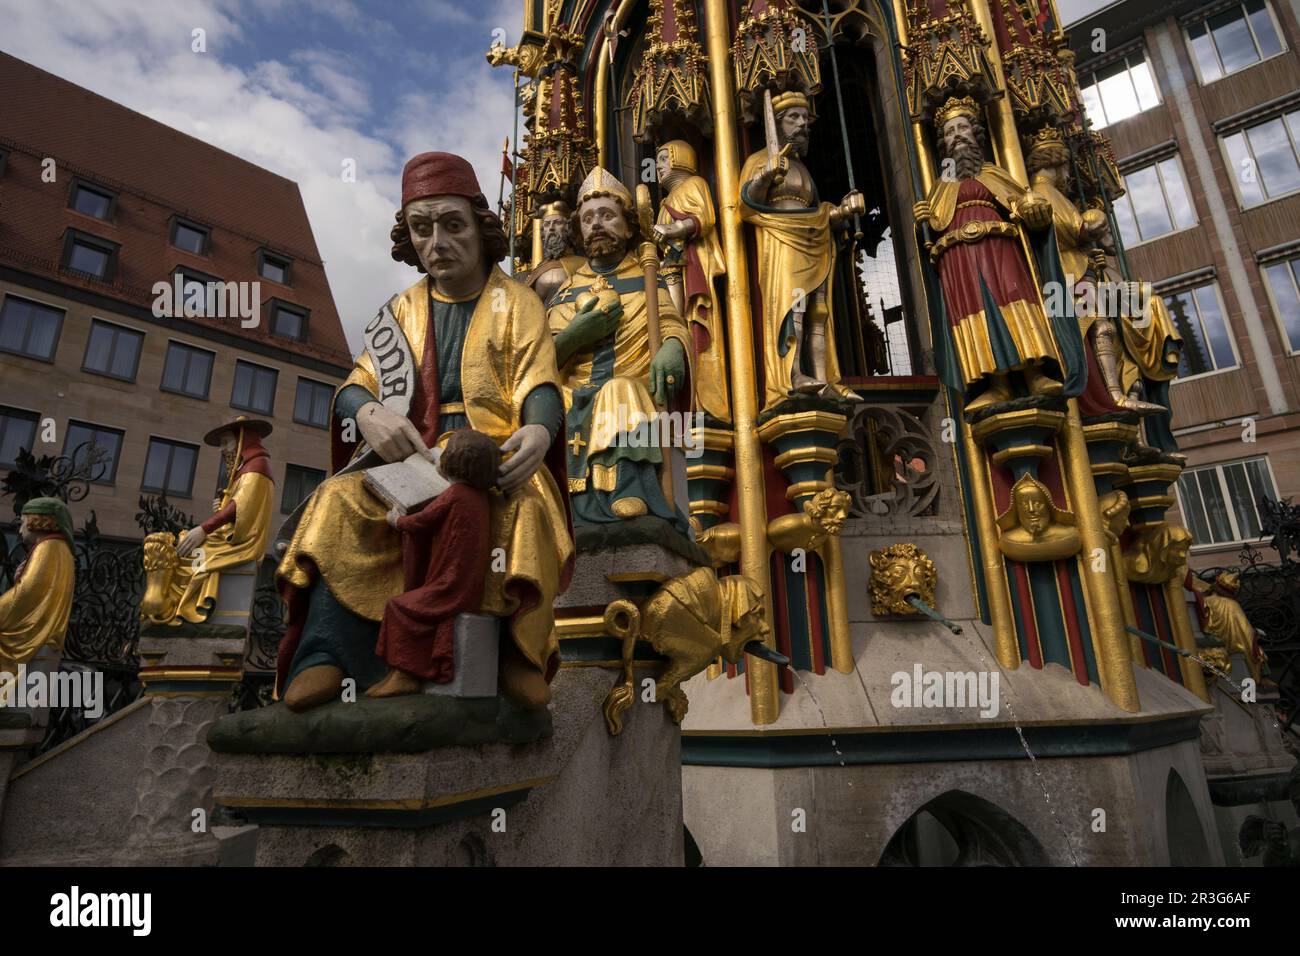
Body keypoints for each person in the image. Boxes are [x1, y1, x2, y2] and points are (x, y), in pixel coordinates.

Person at [275, 151, 573, 712]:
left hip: (491, 459)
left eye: (452, 225)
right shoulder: (401, 311)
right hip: (411, 463)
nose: (437, 241)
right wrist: (368, 413)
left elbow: (539, 381)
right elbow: (356, 384)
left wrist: (536, 433)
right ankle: (327, 656)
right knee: (335, 504)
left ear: (480, 228)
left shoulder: (519, 303)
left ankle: (518, 653)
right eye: (421, 228)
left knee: (524, 515)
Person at [546, 166, 691, 531]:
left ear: (628, 227)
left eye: (608, 216)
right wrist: (575, 336)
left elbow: (670, 322)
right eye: (589, 218)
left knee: (619, 391)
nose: (597, 224)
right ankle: (560, 503)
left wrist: (673, 346)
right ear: (578, 229)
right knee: (548, 404)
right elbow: (541, 359)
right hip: (573, 391)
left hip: (630, 384)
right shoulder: (565, 290)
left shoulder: (646, 278)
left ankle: (630, 487)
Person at [368, 429, 501, 698]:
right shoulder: (479, 498)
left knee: (398, 606)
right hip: (464, 585)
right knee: (408, 606)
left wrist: (396, 520)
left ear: (454, 461)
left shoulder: (455, 494)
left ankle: (405, 674)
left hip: (450, 587)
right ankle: (400, 672)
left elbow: (422, 521)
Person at [0, 497, 76, 682]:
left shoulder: (47, 547)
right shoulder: (59, 548)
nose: (19, 529)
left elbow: (25, 594)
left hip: (33, 639)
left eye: (23, 522)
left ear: (37, 522)